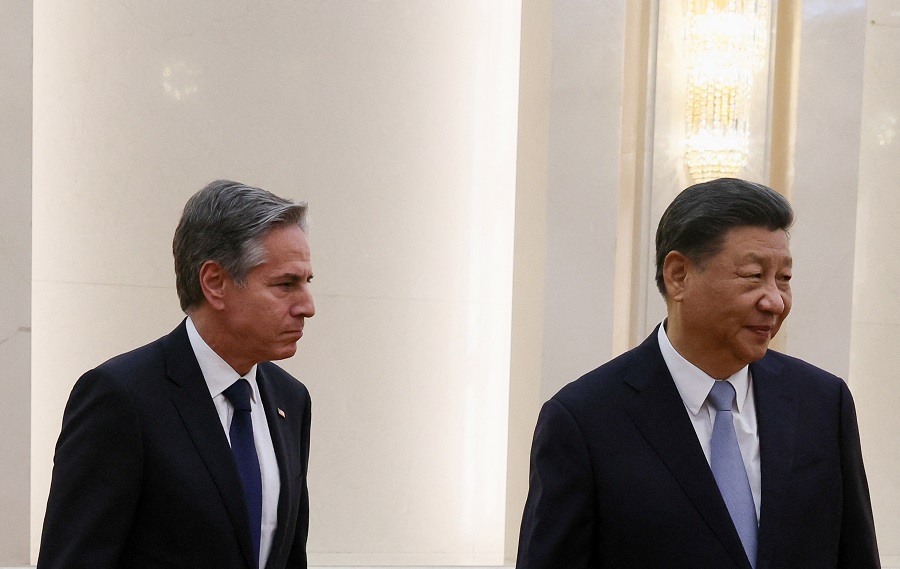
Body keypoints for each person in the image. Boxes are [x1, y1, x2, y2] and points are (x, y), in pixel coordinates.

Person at [516, 178, 880, 569]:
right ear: (678, 275)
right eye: (754, 275)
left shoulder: (823, 402)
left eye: (785, 279)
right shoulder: (584, 420)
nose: (775, 300)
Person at [37, 180, 316, 569]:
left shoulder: (291, 400)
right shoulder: (120, 398)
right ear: (215, 283)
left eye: (306, 282)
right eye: (285, 284)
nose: (307, 306)